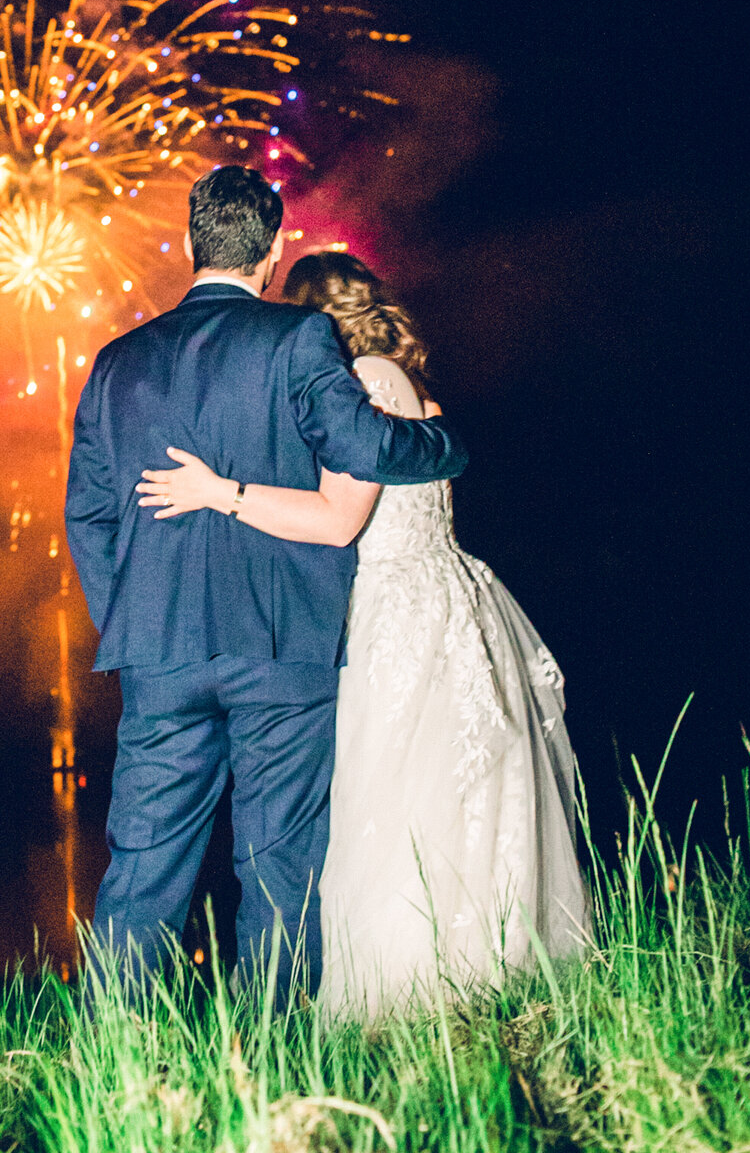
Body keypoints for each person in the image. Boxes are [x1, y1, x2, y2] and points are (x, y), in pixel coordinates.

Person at [137, 250, 587, 1013]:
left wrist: (222, 493)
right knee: (446, 793)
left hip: (394, 613)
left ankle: (407, 996)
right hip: (437, 599)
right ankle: (479, 989)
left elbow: (337, 520)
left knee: (395, 801)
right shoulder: (400, 382)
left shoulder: (366, 387)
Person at [64, 167, 468, 994]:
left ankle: (114, 1064)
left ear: (188, 245)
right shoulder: (297, 341)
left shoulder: (116, 363)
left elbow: (90, 517)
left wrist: (134, 622)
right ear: (274, 251)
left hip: (159, 655)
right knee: (280, 868)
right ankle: (275, 1062)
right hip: (282, 646)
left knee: (141, 868)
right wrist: (446, 445)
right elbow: (370, 448)